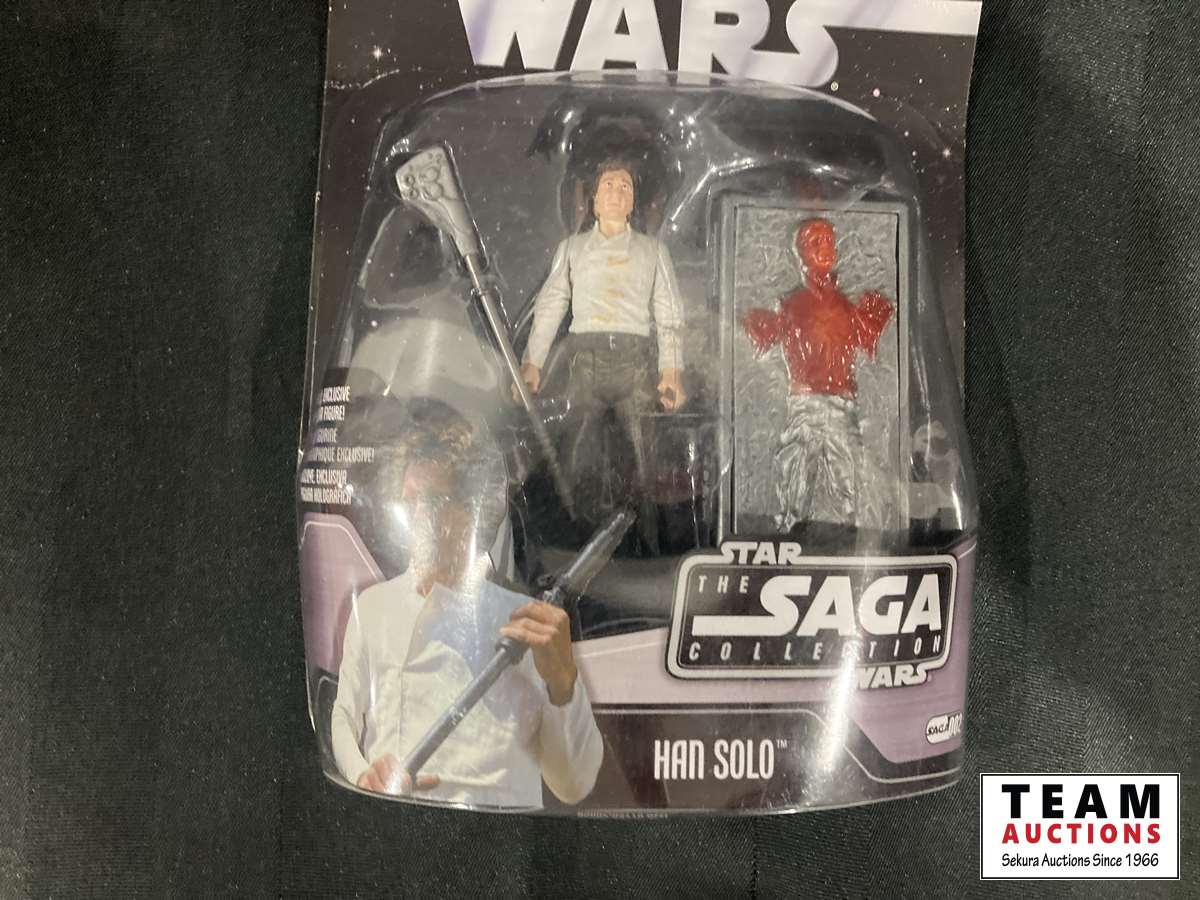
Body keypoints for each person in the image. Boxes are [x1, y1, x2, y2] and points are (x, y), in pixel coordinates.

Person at [331, 400, 603, 808]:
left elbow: (574, 784)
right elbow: (343, 718)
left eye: (433, 502)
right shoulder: (373, 608)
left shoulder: (525, 623)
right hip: (394, 827)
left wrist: (564, 685)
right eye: (409, 501)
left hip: (498, 838)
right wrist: (361, 774)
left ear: (472, 510)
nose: (417, 516)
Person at [517, 160, 686, 545]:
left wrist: (671, 371)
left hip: (634, 361)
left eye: (625, 187)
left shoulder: (652, 251)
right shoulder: (572, 249)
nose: (616, 193)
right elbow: (550, 306)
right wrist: (533, 363)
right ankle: (571, 535)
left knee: (643, 457)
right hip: (585, 361)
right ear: (593, 201)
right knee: (575, 452)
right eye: (608, 185)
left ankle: (649, 540)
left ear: (633, 202)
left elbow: (669, 312)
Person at [742, 218, 894, 530]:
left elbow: (866, 336)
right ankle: (790, 533)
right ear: (800, 253)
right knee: (796, 469)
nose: (825, 247)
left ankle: (861, 534)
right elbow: (767, 331)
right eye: (815, 242)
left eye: (828, 241)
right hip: (805, 403)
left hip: (841, 403)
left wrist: (875, 315)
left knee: (852, 473)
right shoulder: (791, 305)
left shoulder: (845, 306)